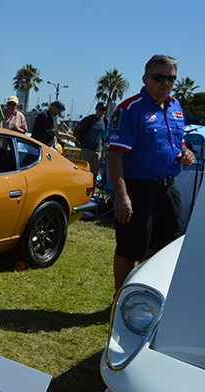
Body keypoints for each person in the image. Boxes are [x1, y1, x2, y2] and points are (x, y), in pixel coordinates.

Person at [107, 54, 194, 292]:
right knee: (129, 247)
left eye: (171, 78)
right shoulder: (130, 109)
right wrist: (122, 196)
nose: (165, 83)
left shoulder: (176, 107)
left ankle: (142, 296)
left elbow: (179, 144)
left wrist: (186, 152)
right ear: (145, 78)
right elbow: (114, 155)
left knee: (164, 245)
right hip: (138, 189)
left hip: (168, 187)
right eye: (159, 77)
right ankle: (120, 299)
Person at [74, 102, 108, 179]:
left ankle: (93, 190)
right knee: (83, 171)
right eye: (100, 109)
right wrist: (76, 141)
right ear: (96, 109)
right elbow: (76, 129)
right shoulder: (89, 119)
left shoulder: (105, 121)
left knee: (95, 173)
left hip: (98, 150)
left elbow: (104, 136)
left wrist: (103, 151)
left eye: (103, 110)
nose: (101, 112)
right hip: (86, 149)